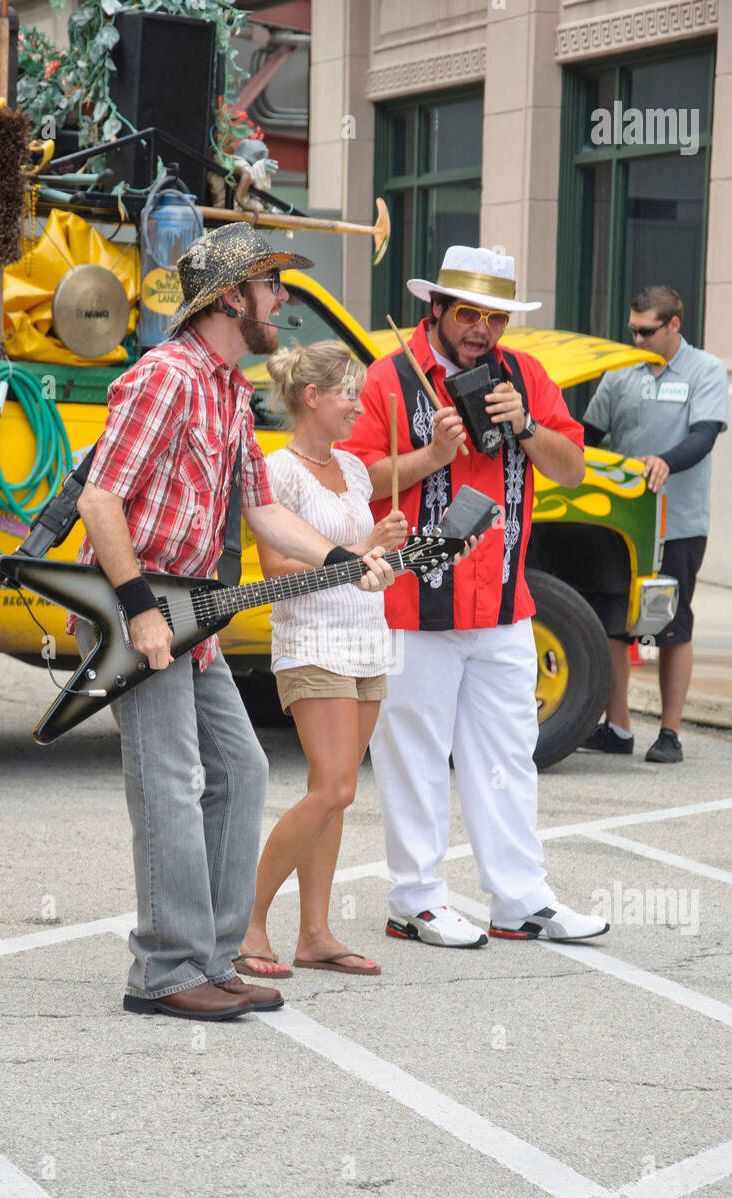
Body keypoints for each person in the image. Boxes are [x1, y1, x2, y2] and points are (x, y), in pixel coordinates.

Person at [71, 224, 395, 1022]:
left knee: (243, 773)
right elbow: (100, 499)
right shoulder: (168, 377)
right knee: (170, 786)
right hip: (135, 606)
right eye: (270, 286)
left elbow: (261, 512)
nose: (281, 301)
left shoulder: (226, 386)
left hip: (192, 612)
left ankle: (214, 958)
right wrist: (143, 612)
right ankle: (163, 970)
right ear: (228, 298)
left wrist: (346, 558)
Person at [344, 245, 610, 945]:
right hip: (412, 606)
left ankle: (519, 899)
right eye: (468, 313)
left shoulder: (525, 375)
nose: (482, 330)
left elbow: (574, 468)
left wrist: (524, 424)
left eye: (495, 317)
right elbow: (356, 479)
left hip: (502, 604)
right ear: (435, 309)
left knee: (506, 759)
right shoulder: (389, 377)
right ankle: (415, 898)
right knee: (415, 756)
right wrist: (430, 456)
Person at [234, 341, 408, 979]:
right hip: (311, 643)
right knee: (334, 785)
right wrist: (361, 546)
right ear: (312, 397)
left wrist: (385, 557)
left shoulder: (358, 472)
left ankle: (314, 933)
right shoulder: (280, 471)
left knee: (333, 794)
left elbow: (362, 563)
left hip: (366, 638)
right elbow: (277, 566)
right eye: (349, 396)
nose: (359, 409)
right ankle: (247, 925)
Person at [582, 286, 729, 763]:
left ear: (673, 325)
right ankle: (618, 728)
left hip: (677, 523)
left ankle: (670, 733)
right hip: (619, 524)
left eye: (646, 331)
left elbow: (704, 435)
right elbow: (589, 435)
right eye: (632, 330)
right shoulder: (620, 369)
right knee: (612, 623)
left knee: (672, 624)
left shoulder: (705, 370)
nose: (637, 339)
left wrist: (665, 461)